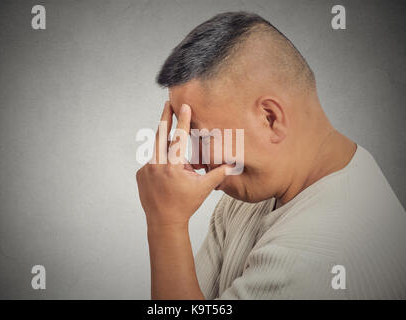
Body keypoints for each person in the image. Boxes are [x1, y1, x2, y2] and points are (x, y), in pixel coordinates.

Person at [136, 11, 406, 299]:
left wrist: (166, 223)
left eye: (203, 137)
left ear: (270, 118)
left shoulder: (313, 256)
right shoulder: (248, 196)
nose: (197, 162)